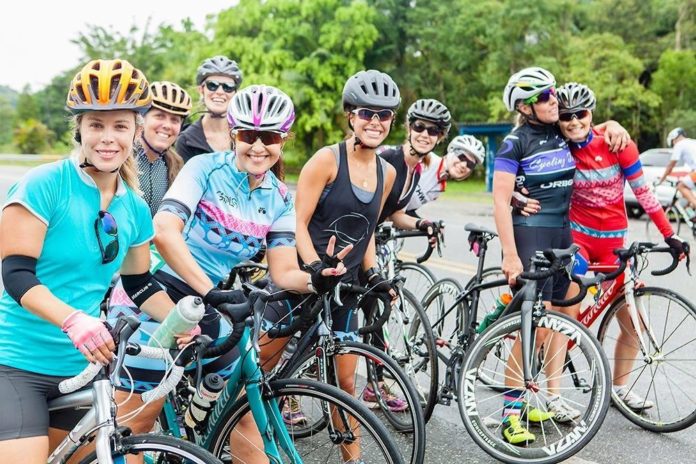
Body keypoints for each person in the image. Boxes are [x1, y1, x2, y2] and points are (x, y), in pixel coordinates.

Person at [108, 84, 348, 463]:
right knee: (136, 423)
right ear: (234, 135)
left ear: (282, 141)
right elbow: (166, 232)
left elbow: (284, 271)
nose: (258, 146)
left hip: (206, 301)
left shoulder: (279, 196)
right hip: (154, 291)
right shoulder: (204, 168)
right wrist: (213, 294)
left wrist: (316, 278)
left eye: (268, 137)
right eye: (248, 135)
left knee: (245, 407)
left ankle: (192, 436)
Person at [0, 59, 157, 463]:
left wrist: (190, 324)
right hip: (16, 364)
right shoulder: (44, 184)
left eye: (120, 126)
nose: (108, 138)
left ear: (136, 131)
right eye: (96, 125)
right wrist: (74, 320)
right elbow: (16, 274)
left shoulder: (135, 207)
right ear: (80, 130)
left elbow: (140, 283)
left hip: (82, 370)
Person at [492, 66, 630, 445]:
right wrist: (509, 254)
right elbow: (500, 201)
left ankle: (542, 398)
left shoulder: (558, 131)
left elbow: (590, 129)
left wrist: (615, 123)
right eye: (543, 97)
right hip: (529, 237)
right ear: (523, 106)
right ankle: (509, 413)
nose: (553, 101)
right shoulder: (514, 143)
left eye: (552, 93)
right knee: (530, 328)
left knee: (563, 316)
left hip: (562, 235)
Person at [541, 82, 688, 417]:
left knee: (634, 323)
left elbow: (644, 193)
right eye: (566, 116)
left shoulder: (617, 143)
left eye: (582, 114)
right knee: (568, 317)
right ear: (558, 120)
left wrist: (670, 236)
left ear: (591, 114)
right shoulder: (560, 148)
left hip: (613, 243)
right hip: (577, 240)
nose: (575, 121)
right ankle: (552, 397)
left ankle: (619, 389)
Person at [137, 81, 192, 215]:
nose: (167, 125)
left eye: (174, 120)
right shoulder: (121, 158)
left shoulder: (176, 164)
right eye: (159, 116)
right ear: (142, 119)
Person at [175, 55, 243, 162]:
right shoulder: (187, 140)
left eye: (228, 87)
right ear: (201, 90)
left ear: (235, 93)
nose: (220, 92)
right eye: (212, 85)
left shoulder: (246, 135)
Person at [405, 134, 485, 216]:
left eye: (470, 164)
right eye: (462, 157)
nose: (464, 165)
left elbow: (406, 210)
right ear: (451, 152)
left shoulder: (439, 188)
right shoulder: (425, 159)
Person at [657, 127, 696, 215]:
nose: (673, 144)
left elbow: (671, 165)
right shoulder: (693, 141)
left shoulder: (680, 144)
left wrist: (662, 179)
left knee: (681, 186)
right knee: (688, 194)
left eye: (672, 142)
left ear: (674, 137)